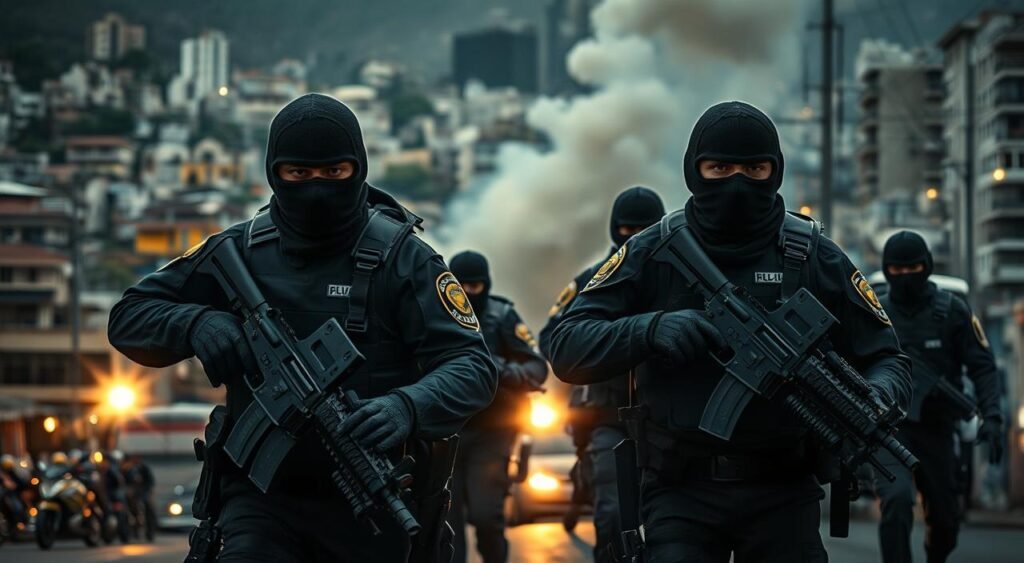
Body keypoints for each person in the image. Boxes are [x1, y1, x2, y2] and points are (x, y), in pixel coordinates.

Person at [107, 93, 498, 562]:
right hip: (260, 499)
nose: (317, 188)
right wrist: (195, 322)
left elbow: (473, 365)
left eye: (334, 173)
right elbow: (129, 315)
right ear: (276, 173)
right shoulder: (240, 252)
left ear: (359, 168)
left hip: (371, 499)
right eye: (299, 174)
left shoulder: (405, 259)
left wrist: (406, 407)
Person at [548, 101, 912, 562]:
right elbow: (567, 345)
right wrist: (651, 329)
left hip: (784, 489)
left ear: (774, 171)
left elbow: (888, 357)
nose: (737, 182)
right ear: (694, 171)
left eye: (754, 168)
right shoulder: (652, 251)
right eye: (720, 167)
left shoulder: (816, 255)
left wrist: (875, 396)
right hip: (680, 490)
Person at [538, 185, 665, 562]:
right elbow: (552, 340)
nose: (635, 238)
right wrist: (607, 345)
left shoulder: (679, 278)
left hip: (666, 419)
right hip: (606, 419)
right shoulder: (593, 280)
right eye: (628, 229)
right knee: (612, 518)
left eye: (645, 228)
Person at [875, 231, 1004, 563]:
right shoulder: (875, 313)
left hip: (938, 428)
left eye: (913, 268)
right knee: (897, 503)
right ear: (887, 270)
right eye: (897, 270)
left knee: (946, 521)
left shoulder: (952, 311)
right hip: (890, 429)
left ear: (927, 266)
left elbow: (983, 366)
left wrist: (992, 416)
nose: (905, 277)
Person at [447, 250, 547, 563]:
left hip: (493, 433)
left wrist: (503, 369)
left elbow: (537, 367)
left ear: (484, 285)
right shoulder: (434, 313)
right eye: (459, 287)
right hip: (446, 431)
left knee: (485, 517)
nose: (467, 294)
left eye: (473, 287)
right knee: (446, 524)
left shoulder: (501, 315)